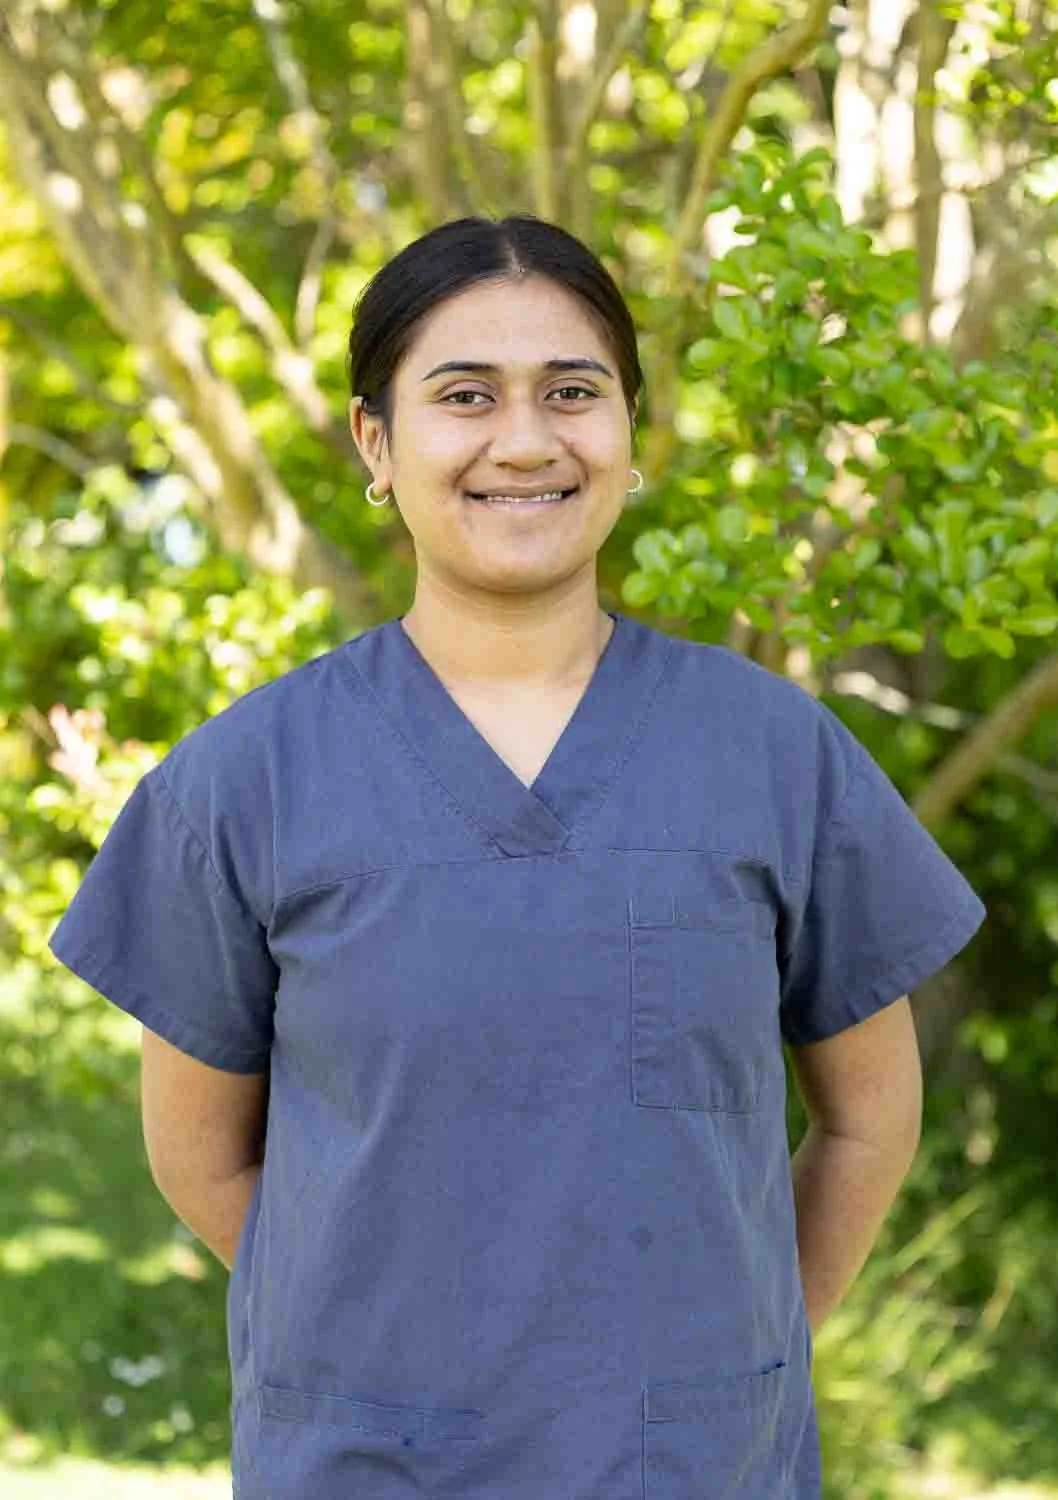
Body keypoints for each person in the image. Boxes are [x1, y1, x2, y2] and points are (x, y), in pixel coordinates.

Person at [48, 214, 987, 1499]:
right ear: (376, 444)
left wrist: (737, 1357)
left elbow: (869, 1121)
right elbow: (203, 1159)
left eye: (571, 392)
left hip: (696, 1465)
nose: (526, 439)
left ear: (629, 434)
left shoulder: (772, 752)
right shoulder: (246, 779)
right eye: (463, 396)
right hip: (364, 1465)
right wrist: (378, 1339)